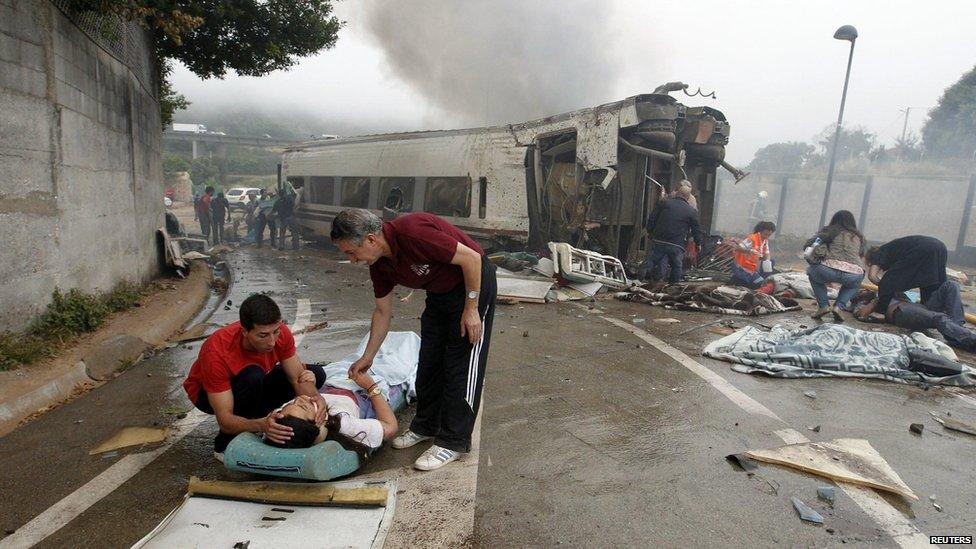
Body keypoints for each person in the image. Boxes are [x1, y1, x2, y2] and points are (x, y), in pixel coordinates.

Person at [330, 209, 497, 471]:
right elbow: (383, 312)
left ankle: (453, 441)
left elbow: (472, 259)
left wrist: (471, 309)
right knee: (429, 359)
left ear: (371, 240)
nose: (352, 260)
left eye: (351, 252)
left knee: (460, 362)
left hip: (472, 284)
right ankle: (426, 426)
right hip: (439, 292)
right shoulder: (380, 265)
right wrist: (368, 356)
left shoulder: (412, 232)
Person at [182, 294, 327, 459]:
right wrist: (261, 424)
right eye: (263, 336)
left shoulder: (281, 334)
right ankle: (224, 443)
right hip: (207, 395)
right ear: (245, 331)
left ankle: (255, 418)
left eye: (276, 332)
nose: (272, 342)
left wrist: (315, 401)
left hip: (253, 380)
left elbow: (297, 378)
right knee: (252, 376)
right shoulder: (216, 352)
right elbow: (225, 419)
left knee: (317, 374)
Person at [265, 369, 399, 451]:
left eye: (292, 402)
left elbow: (272, 423)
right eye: (303, 406)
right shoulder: (343, 424)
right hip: (362, 383)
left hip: (335, 376)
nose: (300, 398)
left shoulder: (288, 418)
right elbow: (390, 427)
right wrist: (371, 386)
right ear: (317, 423)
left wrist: (310, 380)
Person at [858, 235, 958, 322]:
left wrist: (883, 288)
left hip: (924, 248)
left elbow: (872, 276)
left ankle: (879, 313)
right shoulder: (897, 250)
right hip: (940, 247)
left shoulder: (880, 252)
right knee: (931, 281)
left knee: (888, 279)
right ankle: (944, 315)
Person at [853, 290, 976, 353]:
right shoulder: (864, 303)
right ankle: (968, 339)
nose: (864, 290)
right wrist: (875, 302)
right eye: (861, 292)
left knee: (951, 285)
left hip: (918, 307)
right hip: (902, 312)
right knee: (939, 318)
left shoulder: (889, 291)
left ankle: (957, 331)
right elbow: (860, 315)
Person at [805, 210, 866, 321]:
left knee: (812, 272)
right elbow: (861, 254)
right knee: (854, 284)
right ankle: (839, 307)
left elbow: (808, 244)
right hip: (853, 274)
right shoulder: (859, 237)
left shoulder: (830, 231)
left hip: (827, 269)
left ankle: (823, 306)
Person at [643, 182, 703, 284]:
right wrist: (698, 244)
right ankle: (673, 286)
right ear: (688, 197)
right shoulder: (691, 211)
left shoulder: (664, 203)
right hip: (676, 244)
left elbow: (652, 218)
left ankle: (641, 280)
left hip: (659, 240)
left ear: (677, 194)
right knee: (677, 266)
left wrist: (650, 231)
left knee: (650, 261)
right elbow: (696, 230)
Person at [732, 221, 776, 290]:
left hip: (752, 268)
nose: (766, 237)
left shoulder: (765, 241)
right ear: (760, 231)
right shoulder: (752, 239)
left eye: (769, 235)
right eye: (765, 234)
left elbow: (767, 253)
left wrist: (767, 262)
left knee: (771, 261)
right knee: (758, 284)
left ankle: (759, 279)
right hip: (741, 268)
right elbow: (737, 248)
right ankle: (739, 281)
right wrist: (749, 251)